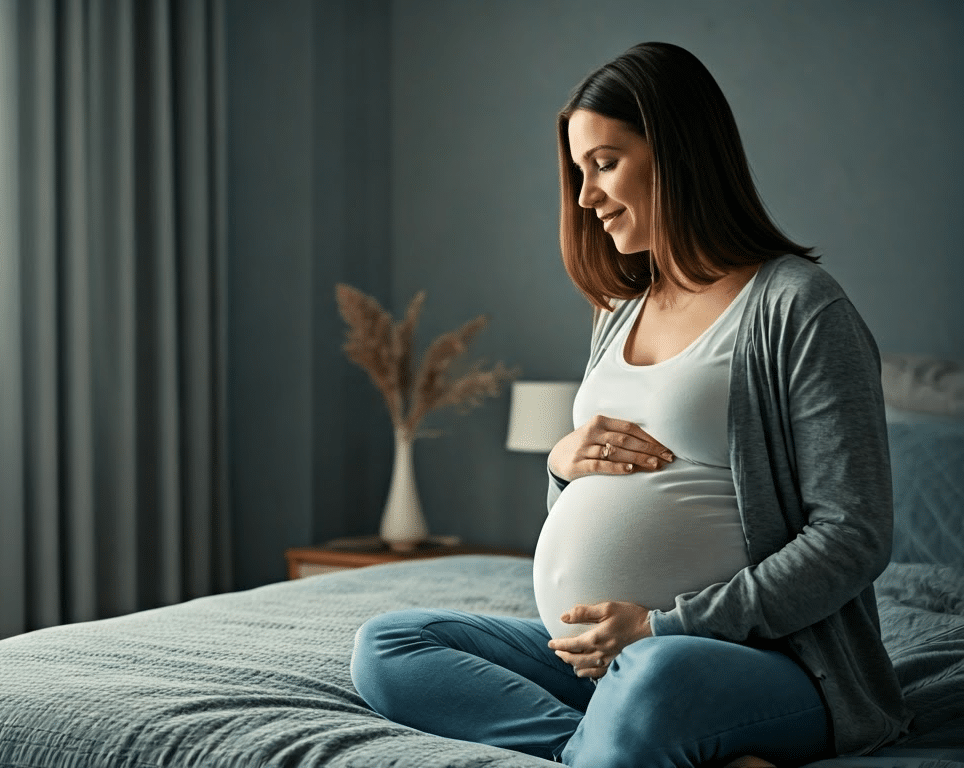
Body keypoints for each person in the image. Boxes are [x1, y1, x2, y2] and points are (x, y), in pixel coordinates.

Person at [348, 42, 907, 768]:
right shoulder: (617, 309)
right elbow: (598, 507)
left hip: (750, 662)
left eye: (604, 164)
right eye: (579, 172)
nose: (585, 197)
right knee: (390, 646)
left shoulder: (798, 307)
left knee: (656, 678)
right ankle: (604, 747)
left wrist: (663, 627)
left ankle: (630, 730)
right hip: (597, 658)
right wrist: (561, 463)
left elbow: (853, 535)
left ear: (679, 153)